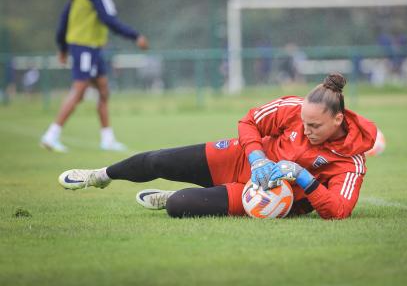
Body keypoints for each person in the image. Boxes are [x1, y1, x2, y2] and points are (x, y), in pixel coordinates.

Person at [58, 73, 377, 220]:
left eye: (315, 127)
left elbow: (339, 210)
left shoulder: (352, 160)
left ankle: (177, 194)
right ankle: (99, 176)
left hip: (265, 195)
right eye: (303, 123)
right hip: (244, 157)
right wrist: (257, 157)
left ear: (338, 120)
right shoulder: (294, 107)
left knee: (178, 206)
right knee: (158, 161)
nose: (306, 130)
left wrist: (303, 178)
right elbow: (249, 121)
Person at [40, 0, 149, 153]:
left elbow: (66, 17)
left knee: (104, 90)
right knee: (79, 90)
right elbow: (108, 18)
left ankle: (107, 139)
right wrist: (135, 36)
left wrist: (62, 46)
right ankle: (51, 135)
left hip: (92, 47)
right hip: (85, 47)